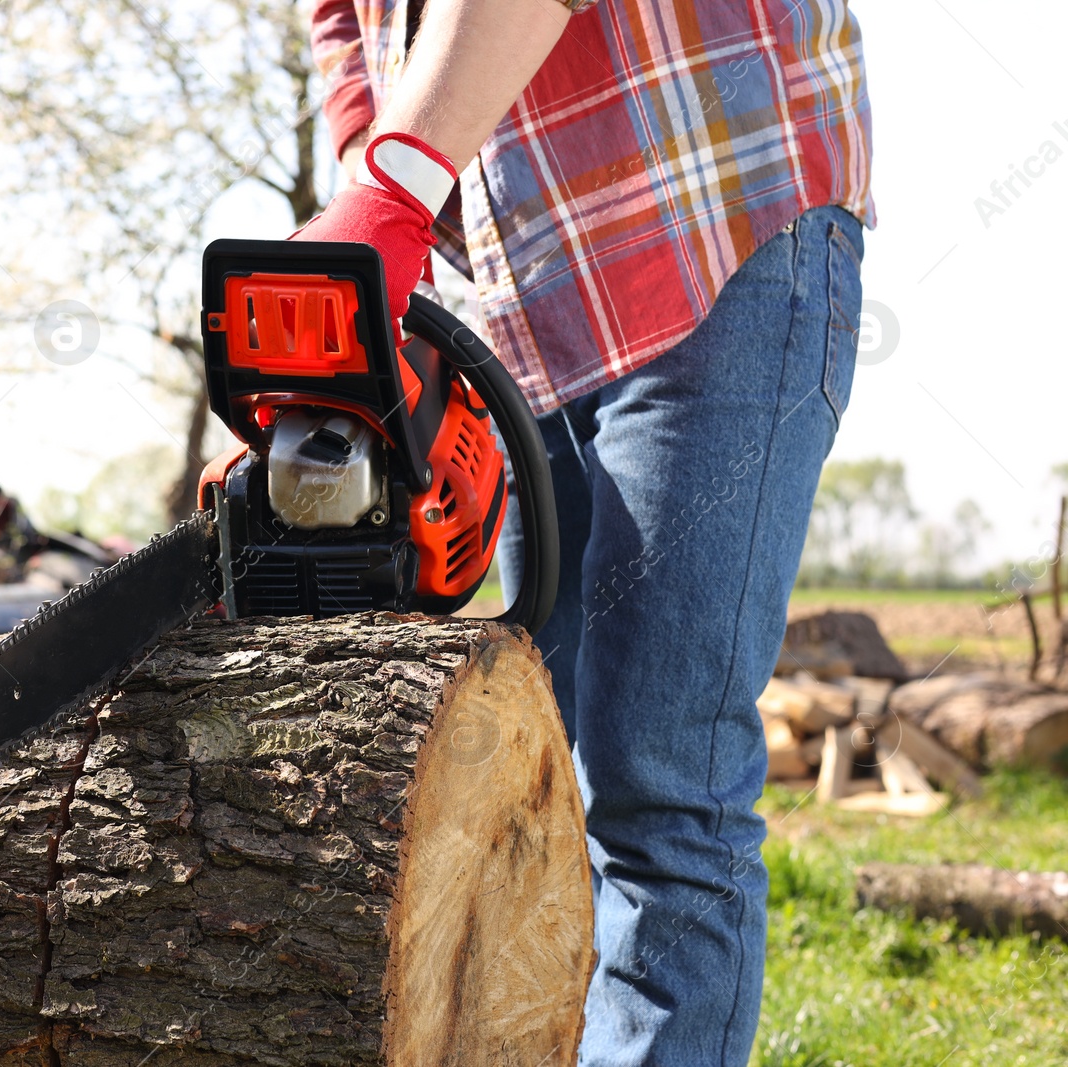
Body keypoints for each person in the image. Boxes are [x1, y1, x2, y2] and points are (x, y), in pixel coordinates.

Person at [297, 1, 872, 1063]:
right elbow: (342, 18)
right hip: (514, 292)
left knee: (661, 781)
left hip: (709, 216)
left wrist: (393, 186)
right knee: (532, 772)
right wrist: (373, 196)